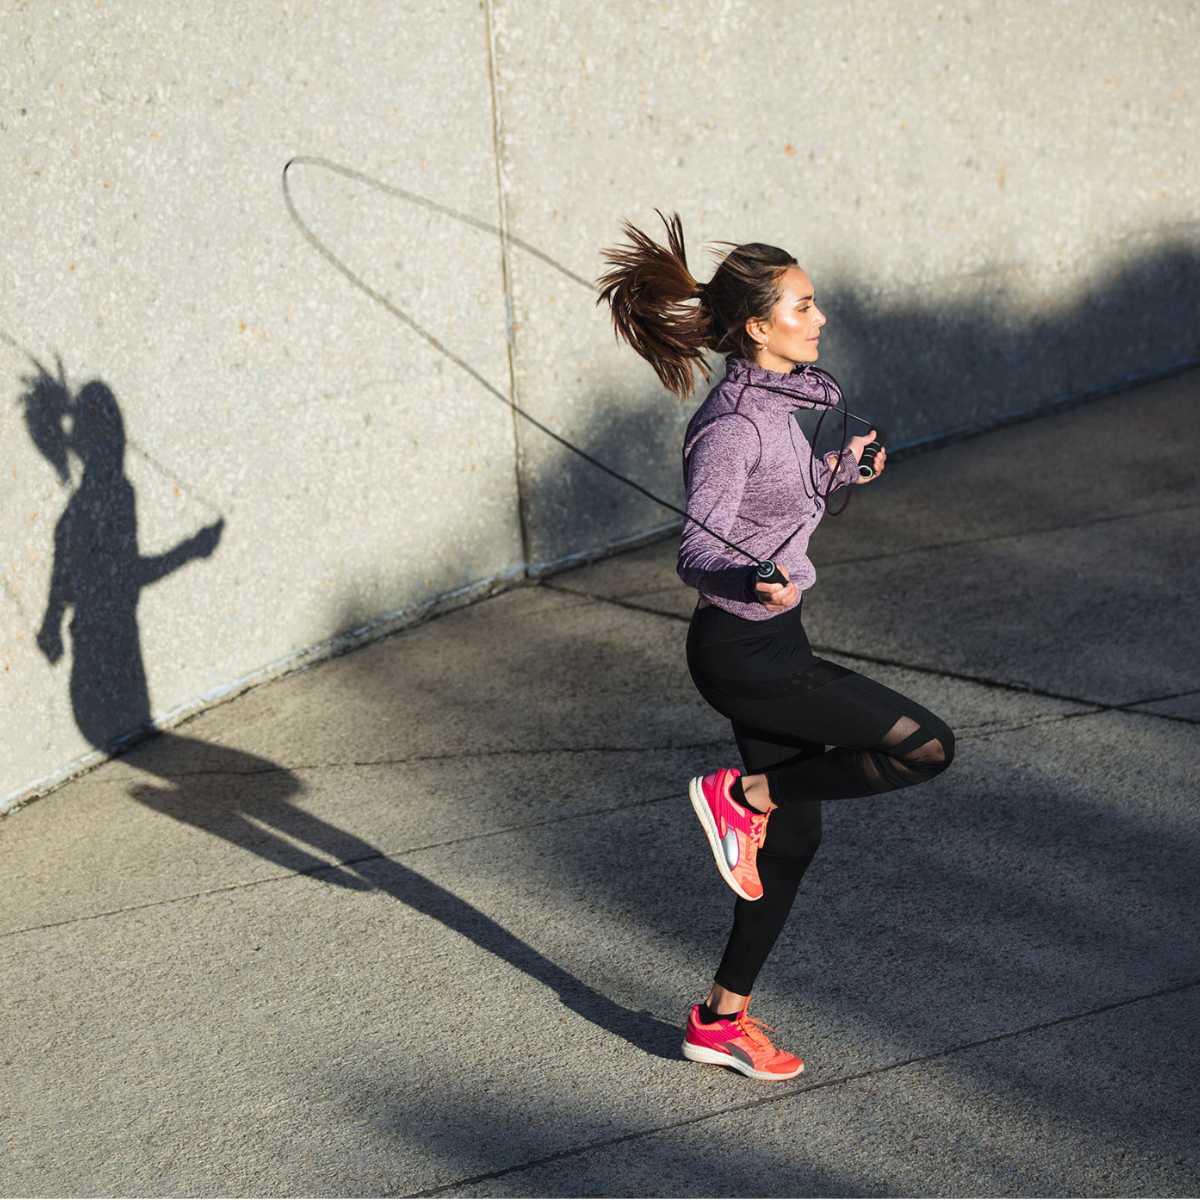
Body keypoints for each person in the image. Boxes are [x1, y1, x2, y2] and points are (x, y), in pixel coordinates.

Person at [598, 214, 955, 1081]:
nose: (820, 316)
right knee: (925, 746)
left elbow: (781, 500)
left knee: (793, 848)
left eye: (815, 300)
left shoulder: (794, 401)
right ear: (759, 326)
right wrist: (749, 577)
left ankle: (720, 1020)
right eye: (803, 304)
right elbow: (699, 548)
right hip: (744, 653)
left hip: (772, 638)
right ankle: (742, 793)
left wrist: (841, 472)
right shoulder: (731, 426)